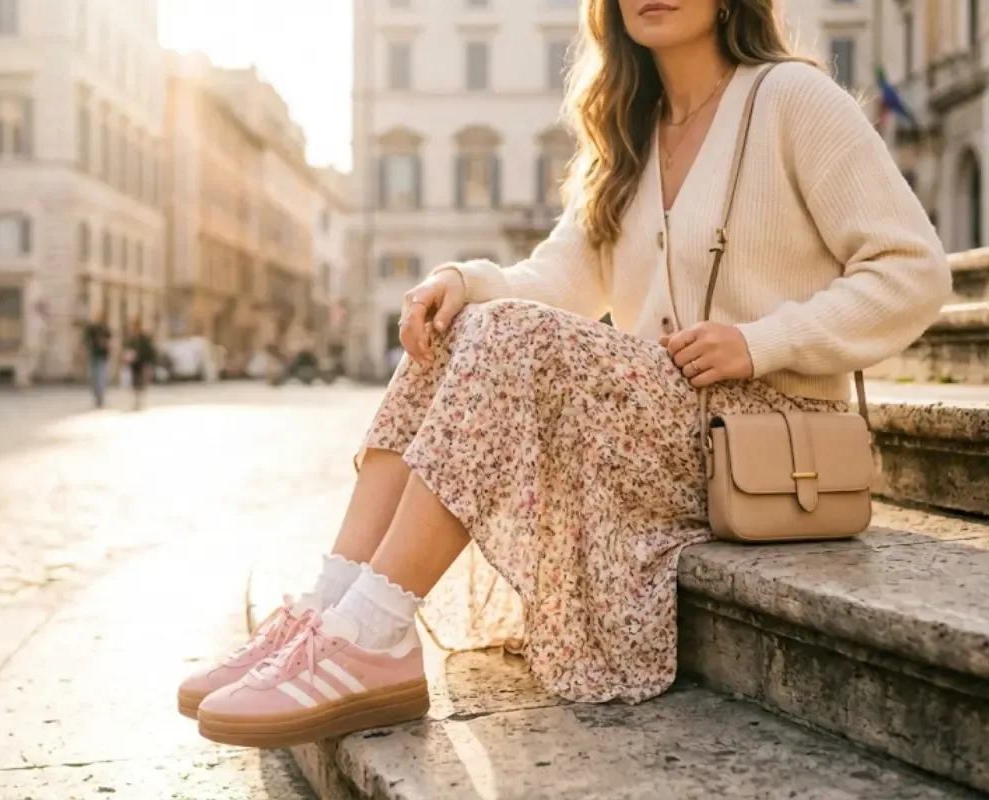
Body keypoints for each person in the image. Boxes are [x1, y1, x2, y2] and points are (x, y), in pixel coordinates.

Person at [179, 0, 951, 748]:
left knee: (506, 332)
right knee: (458, 327)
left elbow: (913, 272)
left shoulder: (792, 97)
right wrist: (462, 279)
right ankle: (337, 606)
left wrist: (763, 340)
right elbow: (553, 282)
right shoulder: (628, 133)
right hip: (664, 430)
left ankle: (374, 626)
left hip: (766, 436)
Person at [124, 320, 158, 411]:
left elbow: (150, 350)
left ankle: (140, 400)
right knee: (134, 382)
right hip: (133, 364)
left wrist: (150, 363)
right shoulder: (131, 339)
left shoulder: (144, 338)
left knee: (141, 382)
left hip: (142, 362)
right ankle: (137, 400)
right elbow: (127, 348)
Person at [84, 313, 112, 408]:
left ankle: (100, 397)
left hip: (102, 357)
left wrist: (106, 345)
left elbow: (109, 342)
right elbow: (86, 340)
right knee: (93, 378)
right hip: (94, 356)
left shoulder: (106, 329)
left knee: (100, 377)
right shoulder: (92, 329)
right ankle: (97, 396)